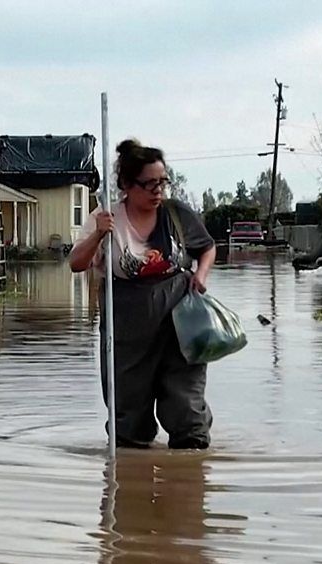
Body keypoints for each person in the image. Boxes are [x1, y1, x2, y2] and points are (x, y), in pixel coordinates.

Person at [70, 138, 217, 449]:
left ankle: (188, 479)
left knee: (185, 402)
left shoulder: (176, 214)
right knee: (128, 411)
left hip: (179, 318)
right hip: (127, 321)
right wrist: (98, 233)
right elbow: (76, 264)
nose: (157, 191)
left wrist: (201, 275)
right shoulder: (107, 218)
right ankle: (129, 478)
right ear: (126, 184)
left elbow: (206, 248)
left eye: (162, 182)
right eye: (148, 184)